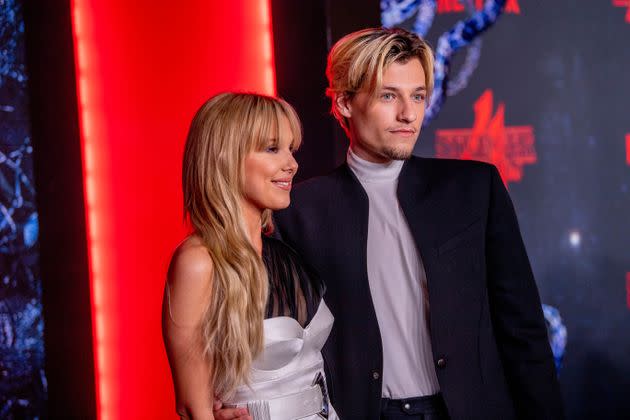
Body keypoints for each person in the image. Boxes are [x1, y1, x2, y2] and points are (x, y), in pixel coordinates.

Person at [271, 28, 564, 419]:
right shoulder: (299, 210)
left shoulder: (474, 189)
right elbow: (280, 342)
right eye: (388, 95)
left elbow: (522, 330)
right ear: (344, 102)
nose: (408, 114)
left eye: (418, 96)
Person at [163, 93, 338, 420]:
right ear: (225, 157)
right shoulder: (199, 262)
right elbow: (192, 408)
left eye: (291, 149)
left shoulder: (286, 255)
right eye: (272, 149)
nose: (292, 164)